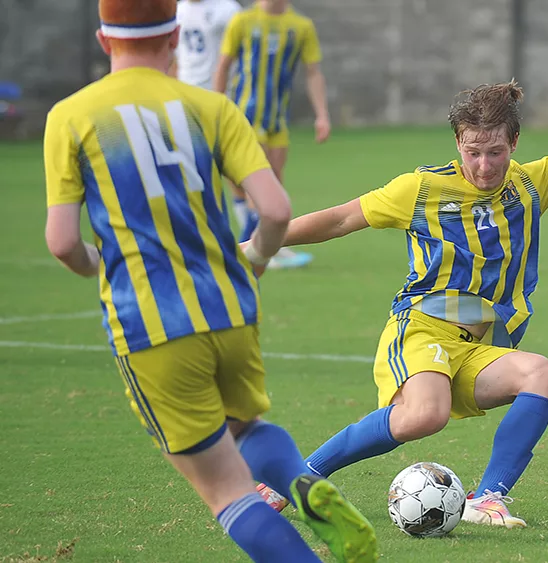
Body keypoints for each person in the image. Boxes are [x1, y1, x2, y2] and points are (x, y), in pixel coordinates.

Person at [253, 4, 548, 529]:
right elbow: (340, 218)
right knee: (426, 415)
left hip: (480, 345)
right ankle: (299, 477)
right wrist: (253, 249)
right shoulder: (420, 189)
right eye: (472, 151)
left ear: (514, 145)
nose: (484, 165)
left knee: (542, 375)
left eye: (495, 152)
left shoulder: (530, 186)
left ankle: (488, 499)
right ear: (457, 144)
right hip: (422, 328)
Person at [42, 1, 376, 560]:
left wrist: (100, 269)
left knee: (223, 488)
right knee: (243, 428)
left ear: (104, 40)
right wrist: (260, 262)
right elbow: (273, 209)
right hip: (230, 307)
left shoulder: (72, 116)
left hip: (153, 322)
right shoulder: (211, 107)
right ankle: (304, 483)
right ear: (174, 34)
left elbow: (62, 243)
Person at [214, 0, 329, 269]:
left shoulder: (301, 26)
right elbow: (223, 66)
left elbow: (313, 73)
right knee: (257, 188)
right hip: (245, 118)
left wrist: (322, 114)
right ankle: (258, 251)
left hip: (277, 121)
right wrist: (216, 111)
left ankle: (261, 247)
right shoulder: (242, 21)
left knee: (272, 185)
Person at [171, 0, 243, 90]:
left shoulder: (229, 9)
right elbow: (173, 57)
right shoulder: (176, 10)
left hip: (218, 90)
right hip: (185, 88)